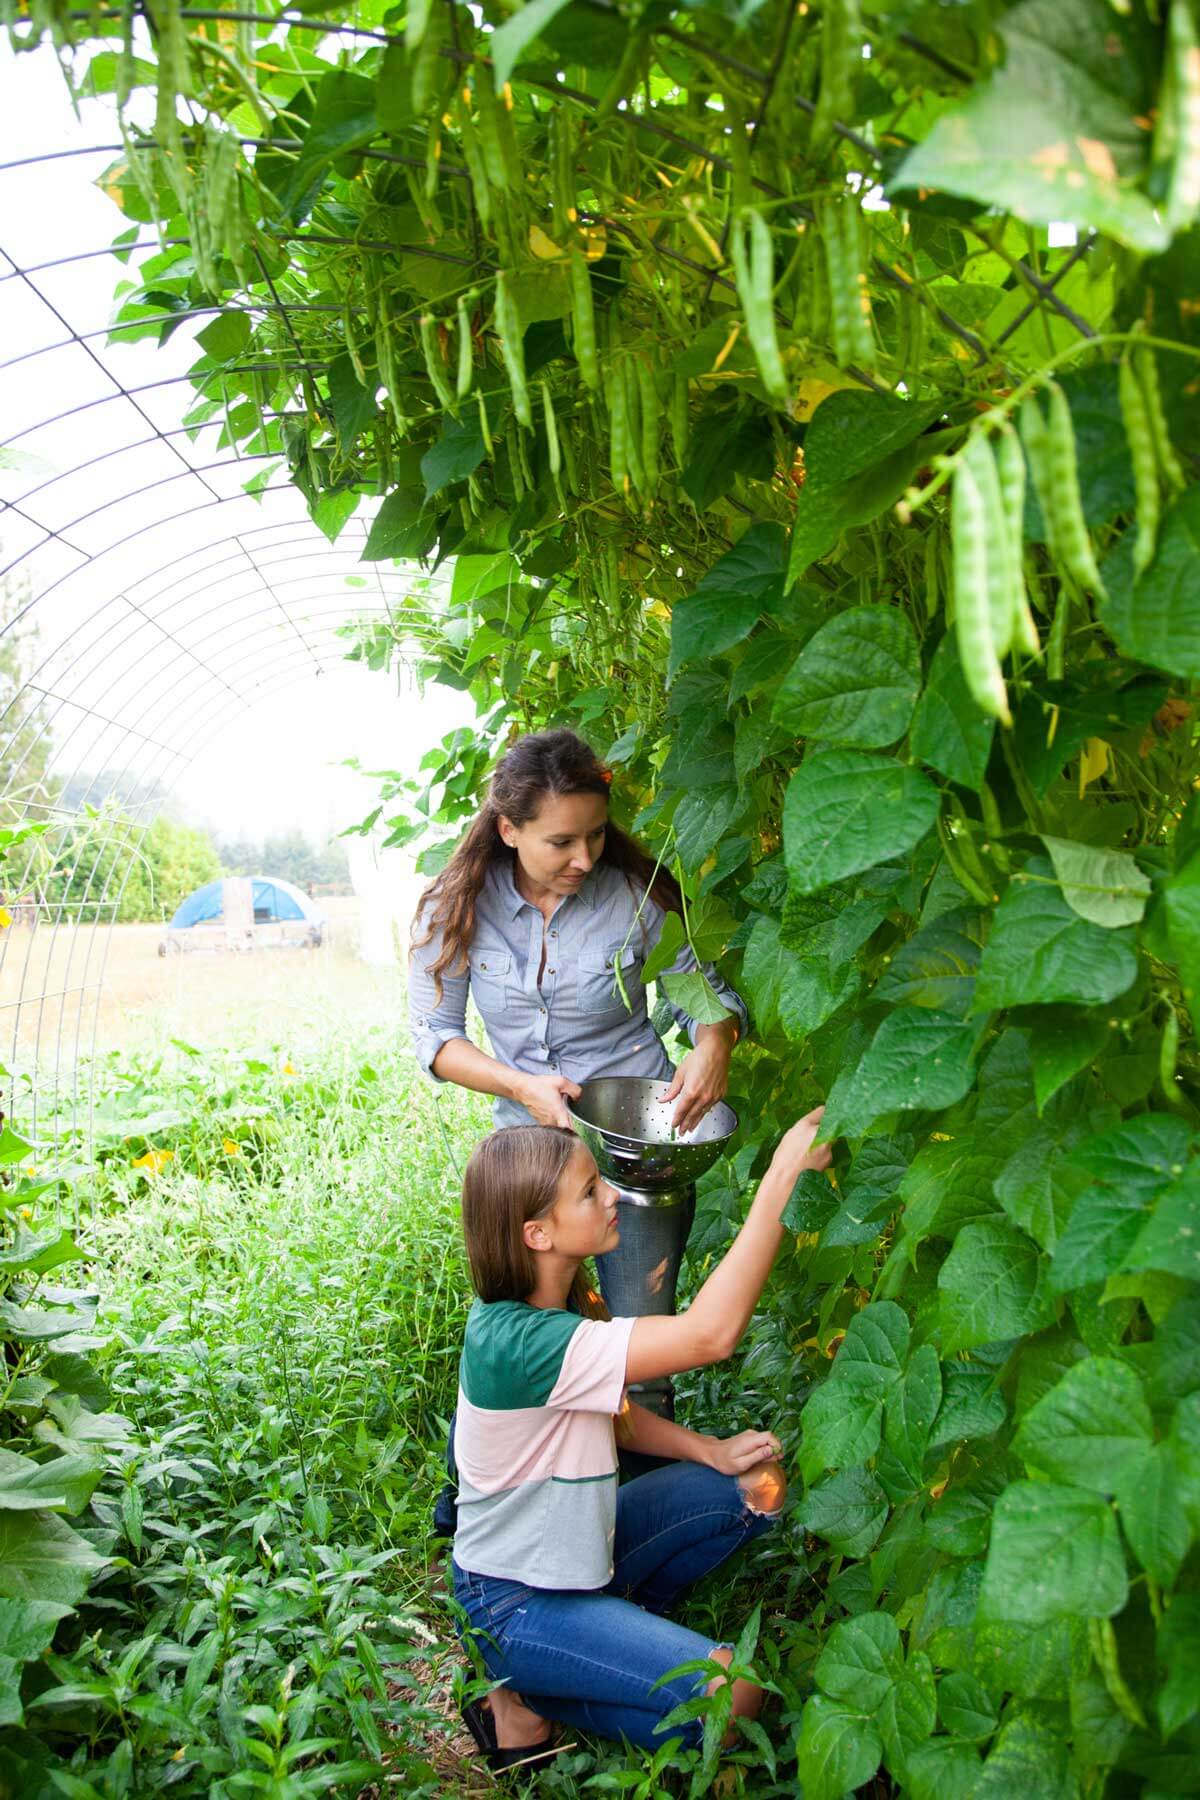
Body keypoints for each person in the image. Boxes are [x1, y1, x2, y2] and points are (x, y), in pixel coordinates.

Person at [451, 1107, 831, 1769]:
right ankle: (525, 1693)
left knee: (756, 1488)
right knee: (731, 1695)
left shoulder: (565, 1299)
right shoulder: (518, 1341)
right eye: (589, 1192)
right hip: (514, 1602)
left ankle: (604, 1641)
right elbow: (710, 1335)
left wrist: (708, 1450)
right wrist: (780, 1179)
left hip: (581, 1556)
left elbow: (616, 1415)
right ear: (536, 1233)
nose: (612, 1196)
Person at [408, 728, 748, 1366]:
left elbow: (707, 1000)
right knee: (538, 1349)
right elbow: (436, 1038)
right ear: (509, 829)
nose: (585, 858)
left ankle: (646, 1459)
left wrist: (714, 1043)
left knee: (638, 1349)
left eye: (595, 835)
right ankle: (546, 1465)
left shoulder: (634, 895)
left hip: (635, 1156)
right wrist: (521, 1086)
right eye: (561, 841)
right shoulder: (453, 906)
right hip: (528, 1163)